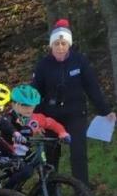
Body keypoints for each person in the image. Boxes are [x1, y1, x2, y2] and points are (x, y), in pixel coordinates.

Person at [32, 19, 116, 186]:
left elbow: (92, 88)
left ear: (69, 44)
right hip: (51, 117)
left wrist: (106, 111)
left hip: (76, 115)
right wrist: (36, 118)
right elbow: (35, 93)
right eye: (57, 44)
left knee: (78, 154)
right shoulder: (43, 65)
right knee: (51, 156)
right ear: (51, 45)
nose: (60, 47)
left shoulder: (80, 61)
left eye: (63, 43)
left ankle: (82, 193)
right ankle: (51, 192)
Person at [0, 84, 70, 189]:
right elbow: (3, 123)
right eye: (25, 106)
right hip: (7, 154)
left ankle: (17, 195)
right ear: (15, 104)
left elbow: (51, 123)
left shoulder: (36, 118)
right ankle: (6, 192)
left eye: (32, 106)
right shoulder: (9, 117)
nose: (29, 109)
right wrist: (15, 133)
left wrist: (62, 133)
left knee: (36, 166)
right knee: (27, 172)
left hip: (24, 154)